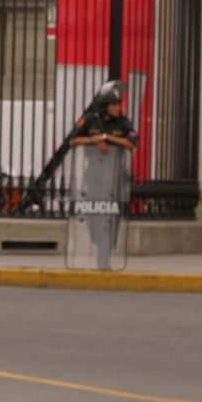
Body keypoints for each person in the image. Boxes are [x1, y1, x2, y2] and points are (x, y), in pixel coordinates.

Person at [68, 81, 134, 270]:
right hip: (94, 177)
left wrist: (106, 138)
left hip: (115, 178)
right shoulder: (90, 120)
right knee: (93, 214)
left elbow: (131, 143)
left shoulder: (122, 121)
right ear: (105, 106)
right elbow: (73, 140)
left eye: (118, 104)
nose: (117, 108)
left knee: (112, 216)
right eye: (113, 104)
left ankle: (106, 252)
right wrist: (92, 140)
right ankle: (101, 248)